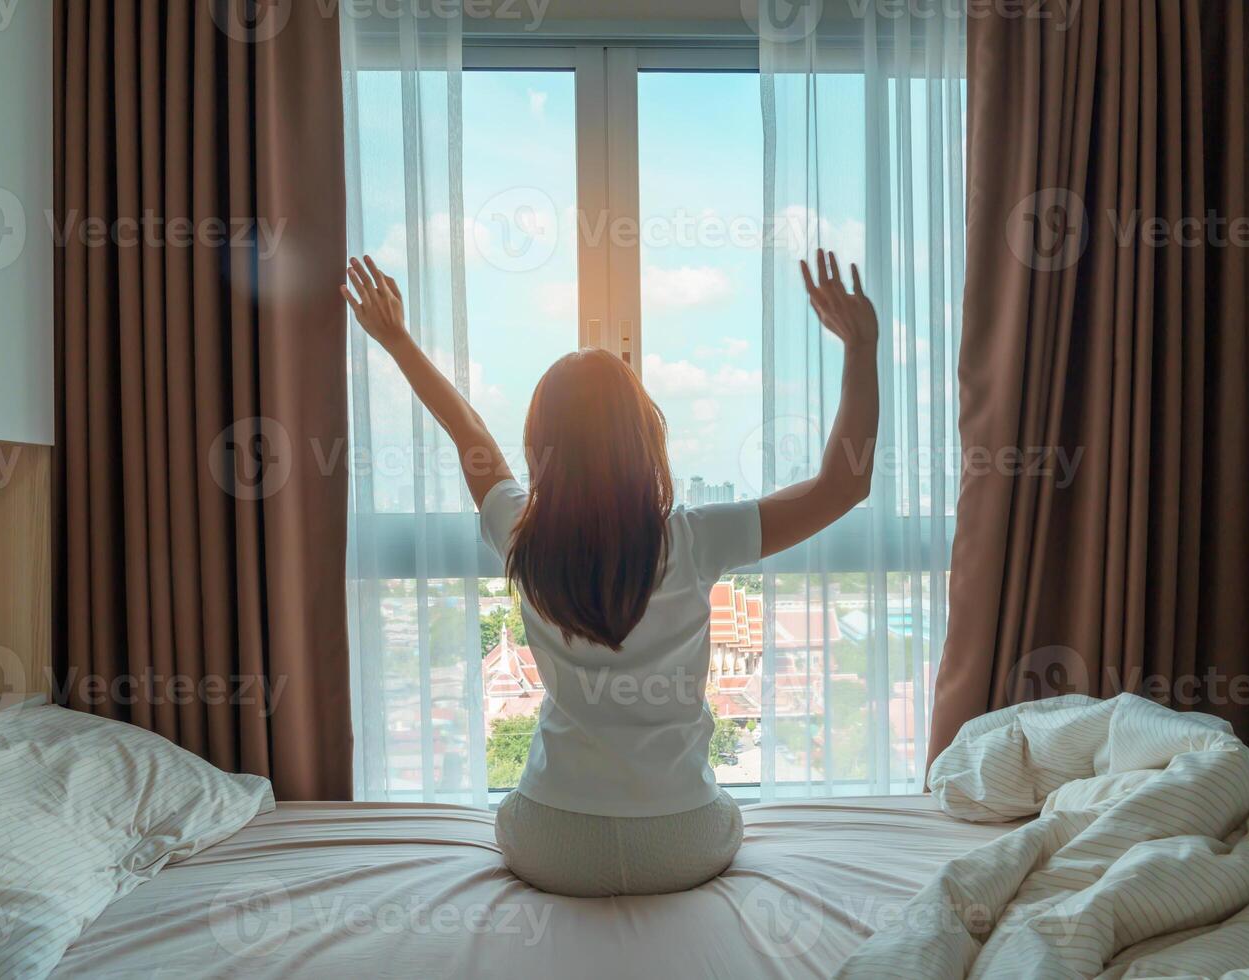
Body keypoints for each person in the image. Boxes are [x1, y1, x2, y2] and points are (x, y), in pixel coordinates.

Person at [341, 249, 879, 897]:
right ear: (644, 436)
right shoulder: (697, 537)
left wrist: (396, 339)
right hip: (682, 840)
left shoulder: (520, 531)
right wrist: (862, 348)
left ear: (542, 444)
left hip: (549, 841)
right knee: (727, 808)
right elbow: (844, 484)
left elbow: (468, 432)